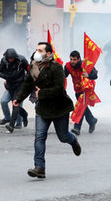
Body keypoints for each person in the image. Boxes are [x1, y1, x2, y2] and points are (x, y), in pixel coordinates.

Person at [13, 42, 81, 179]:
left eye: (40, 50)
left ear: (48, 54)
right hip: (42, 108)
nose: (37, 52)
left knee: (63, 137)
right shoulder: (33, 67)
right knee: (39, 137)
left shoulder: (56, 68)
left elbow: (59, 88)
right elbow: (27, 84)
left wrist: (42, 93)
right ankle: (39, 167)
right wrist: (19, 99)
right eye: (36, 49)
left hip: (59, 108)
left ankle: (73, 141)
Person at [64, 50, 98, 135]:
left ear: (79, 59)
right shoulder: (68, 66)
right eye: (71, 59)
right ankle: (92, 120)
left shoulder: (85, 65)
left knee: (81, 106)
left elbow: (95, 75)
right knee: (83, 107)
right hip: (78, 89)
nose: (72, 61)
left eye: (74, 59)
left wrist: (88, 75)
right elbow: (63, 75)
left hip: (87, 88)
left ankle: (77, 127)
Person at [0, 48, 29, 133]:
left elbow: (29, 70)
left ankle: (11, 125)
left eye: (12, 58)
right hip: (10, 85)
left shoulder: (22, 60)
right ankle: (24, 114)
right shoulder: (4, 61)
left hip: (20, 85)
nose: (11, 60)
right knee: (11, 102)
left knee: (15, 103)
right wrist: (6, 77)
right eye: (9, 58)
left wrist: (25, 79)